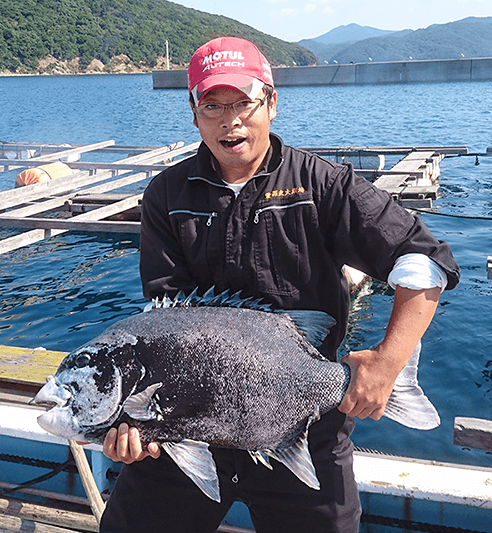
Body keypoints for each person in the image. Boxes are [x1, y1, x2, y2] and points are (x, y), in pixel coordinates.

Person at [99, 36, 460, 533]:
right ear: (194, 111)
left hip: (304, 422)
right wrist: (134, 422)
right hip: (192, 429)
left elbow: (423, 258)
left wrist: (389, 361)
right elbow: (165, 320)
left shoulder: (323, 184)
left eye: (243, 102)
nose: (230, 120)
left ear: (271, 102)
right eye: (212, 106)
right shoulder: (166, 193)